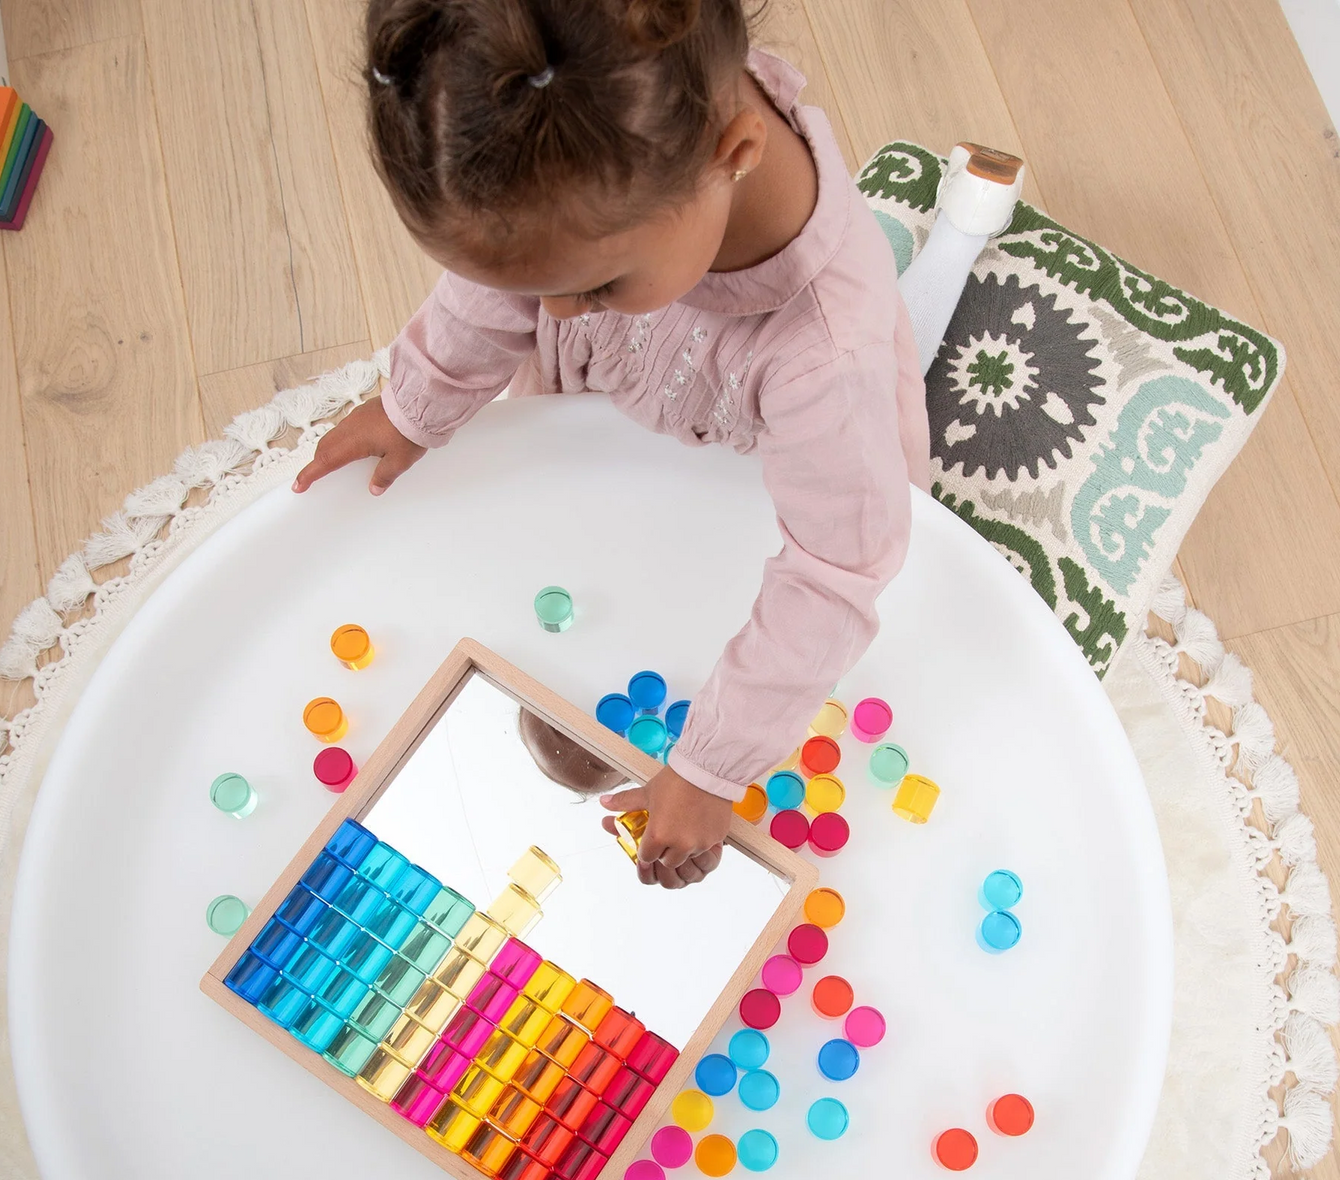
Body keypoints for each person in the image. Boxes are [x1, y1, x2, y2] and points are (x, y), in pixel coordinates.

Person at [294, 0, 1021, 889]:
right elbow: (512, 284)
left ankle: (960, 233)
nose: (549, 315)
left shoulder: (827, 361)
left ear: (735, 155)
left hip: (781, 469)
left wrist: (714, 764)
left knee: (893, 350)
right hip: (630, 413)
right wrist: (418, 398)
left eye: (591, 284)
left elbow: (836, 570)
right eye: (541, 287)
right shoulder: (623, 147)